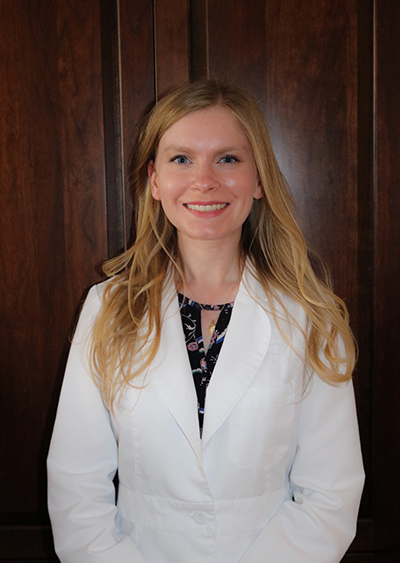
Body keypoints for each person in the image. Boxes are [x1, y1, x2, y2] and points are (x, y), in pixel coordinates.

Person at [47, 79, 365, 563]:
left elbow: (330, 497)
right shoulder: (107, 308)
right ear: (154, 181)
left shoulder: (311, 316)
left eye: (228, 159)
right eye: (181, 159)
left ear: (259, 180)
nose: (204, 180)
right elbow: (76, 486)